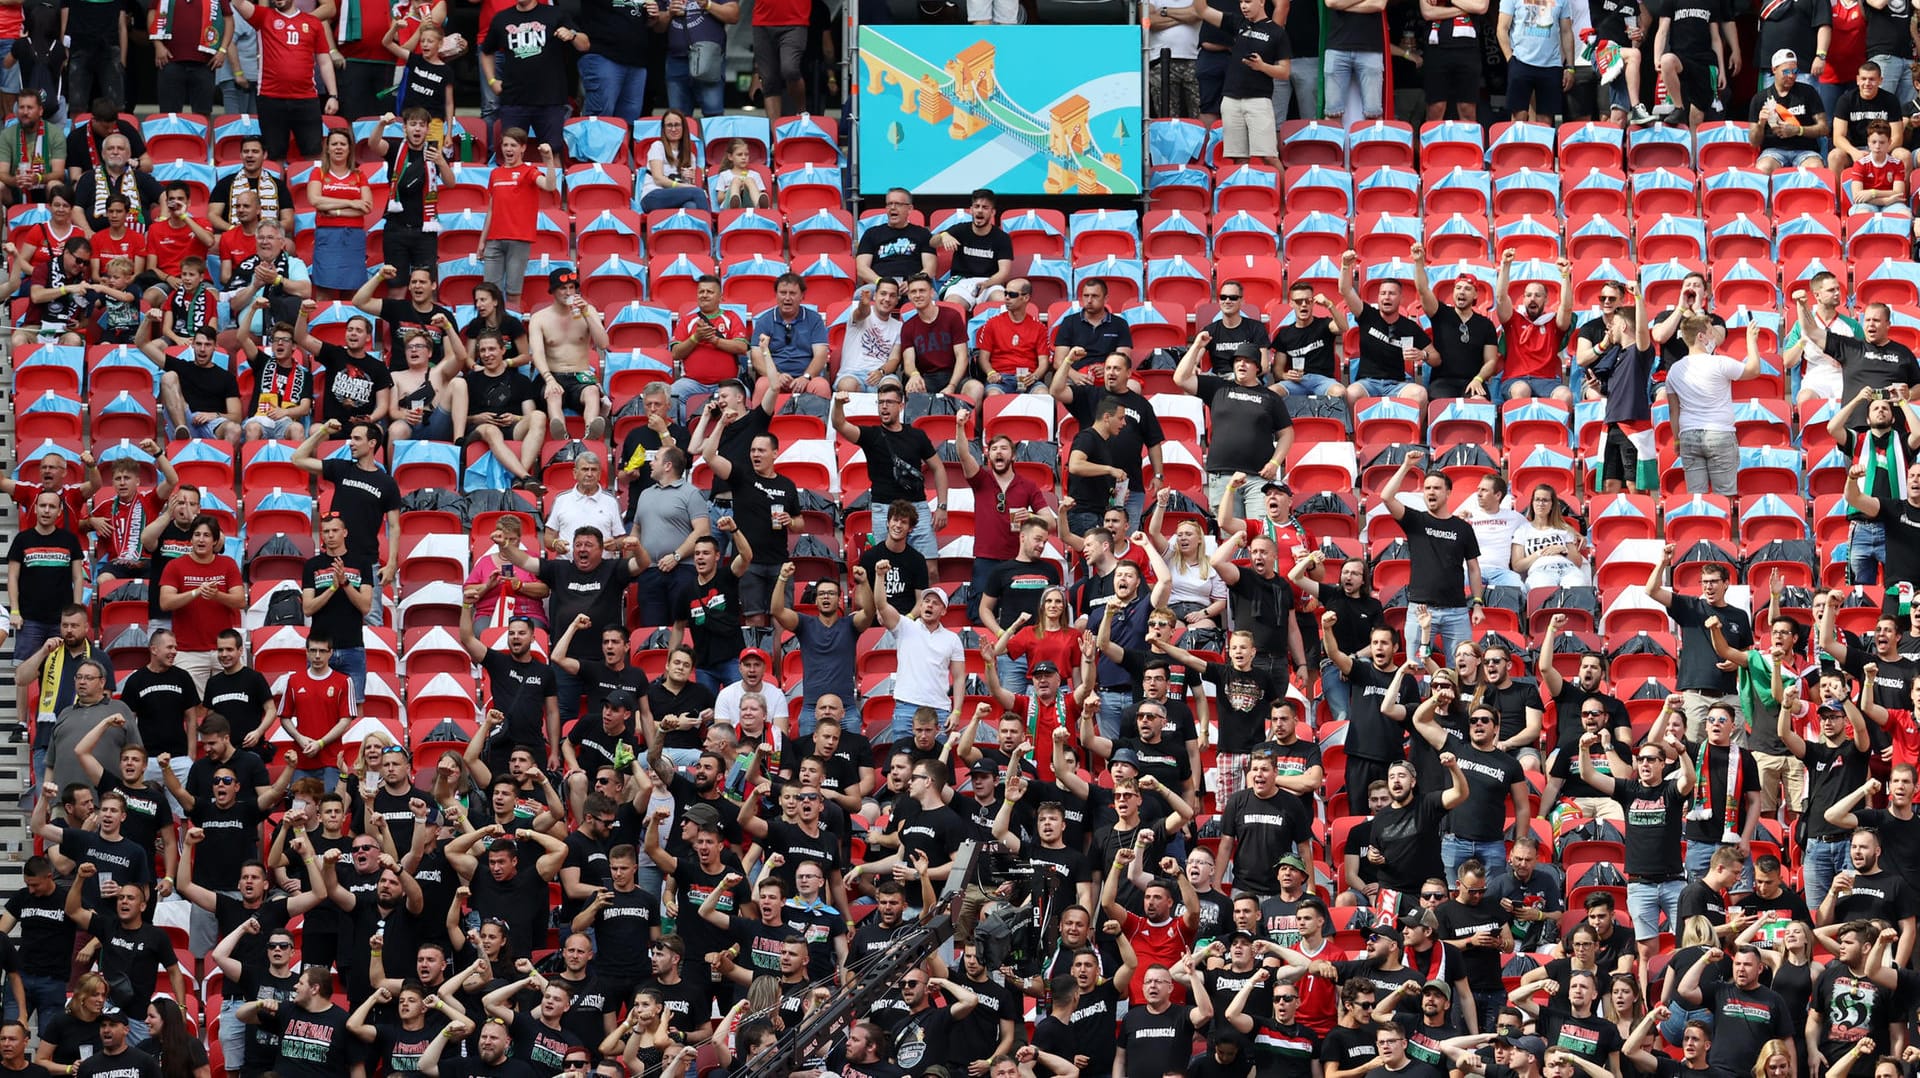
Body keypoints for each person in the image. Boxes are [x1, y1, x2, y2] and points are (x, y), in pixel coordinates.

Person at [1668, 319, 1763, 495]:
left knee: (1696, 498)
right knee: (1724, 496)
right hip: (1719, 433)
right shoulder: (1719, 362)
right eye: (1711, 333)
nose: (1714, 337)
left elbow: (1674, 410)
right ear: (1701, 336)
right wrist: (1751, 340)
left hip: (1688, 435)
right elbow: (1754, 370)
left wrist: (1677, 440)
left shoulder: (1674, 369)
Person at [232, 0, 337, 160]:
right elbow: (238, 3)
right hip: (270, 97)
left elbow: (324, 61)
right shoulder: (263, 16)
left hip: (306, 99)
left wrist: (333, 95)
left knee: (314, 154)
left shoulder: (313, 22)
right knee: (274, 156)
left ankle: (311, 185)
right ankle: (277, 185)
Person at [481, 0, 589, 154]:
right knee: (511, 153)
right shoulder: (501, 18)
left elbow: (585, 45)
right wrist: (492, 81)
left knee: (552, 152)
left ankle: (554, 180)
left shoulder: (555, 13)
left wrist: (572, 35)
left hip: (550, 99)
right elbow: (486, 51)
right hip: (514, 100)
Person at [1192, 0, 1290, 166]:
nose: (1244, 6)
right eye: (1241, 2)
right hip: (1231, 99)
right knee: (1238, 158)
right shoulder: (1237, 23)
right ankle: (1244, 191)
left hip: (1258, 100)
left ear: (1261, 2)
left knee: (1269, 157)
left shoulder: (1276, 32)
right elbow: (1203, 10)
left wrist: (1262, 66)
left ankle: (1283, 193)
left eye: (1248, 1)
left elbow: (1285, 72)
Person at [476, 129, 560, 306]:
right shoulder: (495, 173)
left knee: (513, 293)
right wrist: (482, 241)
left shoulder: (529, 171)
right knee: (490, 293)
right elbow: (491, 209)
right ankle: (493, 332)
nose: (508, 149)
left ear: (522, 148)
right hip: (494, 240)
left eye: (513, 145)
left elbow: (550, 186)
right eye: (505, 144)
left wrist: (549, 160)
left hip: (519, 240)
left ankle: (511, 332)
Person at [1339, 252, 1433, 409]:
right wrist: (1345, 266)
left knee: (1420, 394)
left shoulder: (1410, 326)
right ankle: (1352, 433)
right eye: (1383, 293)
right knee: (1351, 393)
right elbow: (1346, 290)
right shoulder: (1367, 314)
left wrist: (1423, 355)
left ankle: (1414, 434)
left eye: (1391, 293)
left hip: (1397, 384)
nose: (1386, 297)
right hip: (1367, 382)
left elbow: (1436, 358)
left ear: (1400, 298)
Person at [751, 274, 831, 400]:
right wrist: (775, 375)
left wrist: (806, 377)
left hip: (807, 377)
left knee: (821, 386)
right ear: (776, 294)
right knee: (762, 385)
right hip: (774, 377)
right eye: (783, 293)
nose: (787, 298)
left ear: (802, 296)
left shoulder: (814, 319)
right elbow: (756, 357)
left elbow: (821, 355)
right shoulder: (764, 320)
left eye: (792, 293)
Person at [933, 189, 1013, 309]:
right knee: (952, 307)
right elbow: (931, 242)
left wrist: (986, 284)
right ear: (971, 210)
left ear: (992, 212)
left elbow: (1004, 272)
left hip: (990, 282)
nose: (980, 210)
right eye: (977, 206)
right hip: (962, 282)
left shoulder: (1002, 238)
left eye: (985, 207)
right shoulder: (960, 230)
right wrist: (943, 236)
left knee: (1001, 302)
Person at [1495, 0, 1575, 121]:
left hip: (1551, 65)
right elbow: (1502, 28)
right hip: (1520, 61)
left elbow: (1566, 31)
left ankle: (1542, 141)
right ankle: (1518, 141)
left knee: (1546, 121)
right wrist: (1510, 59)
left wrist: (1570, 67)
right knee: (1519, 117)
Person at [1752, 49, 1831, 170]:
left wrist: (1798, 130)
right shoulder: (1760, 98)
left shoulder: (1808, 92)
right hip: (1773, 151)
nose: (1791, 75)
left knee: (1815, 167)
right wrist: (1761, 124)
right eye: (1786, 71)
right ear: (1774, 70)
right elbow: (1754, 142)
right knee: (1764, 167)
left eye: (1795, 71)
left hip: (1805, 151)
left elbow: (1824, 128)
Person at [857, 190, 935, 286]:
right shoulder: (871, 233)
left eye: (898, 204)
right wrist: (880, 282)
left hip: (913, 285)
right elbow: (861, 267)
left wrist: (913, 282)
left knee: (933, 298)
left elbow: (930, 269)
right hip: (879, 284)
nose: (892, 208)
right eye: (889, 204)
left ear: (909, 209)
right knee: (859, 296)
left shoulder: (923, 234)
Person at [0, 94, 63, 208]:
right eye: (21, 107)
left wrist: (39, 178)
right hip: (15, 189)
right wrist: (15, 180)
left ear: (40, 111)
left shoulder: (55, 134)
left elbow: (59, 173)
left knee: (55, 185)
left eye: (29, 107)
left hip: (45, 187)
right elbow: (2, 172)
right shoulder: (7, 134)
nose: (25, 112)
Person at [639, 110, 708, 212]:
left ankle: (690, 228)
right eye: (669, 125)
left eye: (677, 125)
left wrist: (688, 180)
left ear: (683, 128)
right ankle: (711, 227)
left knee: (691, 205)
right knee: (697, 193)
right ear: (664, 129)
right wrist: (684, 186)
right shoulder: (657, 146)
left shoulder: (690, 156)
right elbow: (658, 179)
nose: (673, 129)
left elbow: (688, 186)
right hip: (653, 196)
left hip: (676, 196)